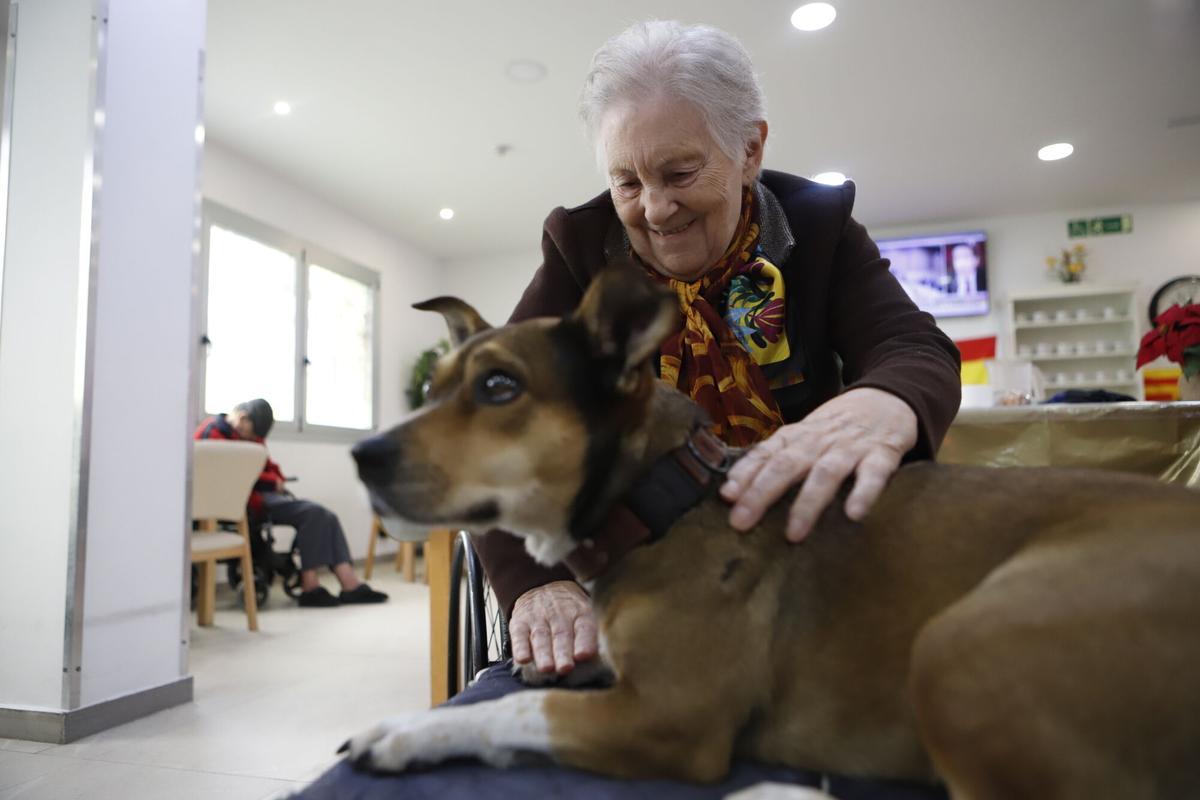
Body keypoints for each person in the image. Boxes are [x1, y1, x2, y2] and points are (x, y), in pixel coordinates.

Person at [473, 20, 961, 679]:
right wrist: (537, 582)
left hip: (798, 552)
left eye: (680, 172)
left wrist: (884, 400)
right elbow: (491, 413)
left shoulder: (819, 229)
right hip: (630, 565)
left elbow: (911, 346)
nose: (655, 209)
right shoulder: (581, 250)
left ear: (750, 149)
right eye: (627, 182)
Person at [195, 398, 389, 607]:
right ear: (242, 418)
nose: (255, 440)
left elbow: (267, 466)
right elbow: (233, 474)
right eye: (252, 435)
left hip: (260, 496)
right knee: (313, 514)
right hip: (244, 501)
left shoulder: (249, 436)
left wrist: (275, 479)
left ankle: (349, 582)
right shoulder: (212, 433)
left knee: (326, 515)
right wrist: (272, 483)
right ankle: (311, 586)